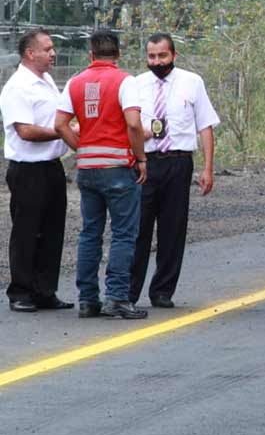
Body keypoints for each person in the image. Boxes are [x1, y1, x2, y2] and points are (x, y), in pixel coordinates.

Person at [54, 30, 148, 320]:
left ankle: (87, 299)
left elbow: (60, 124)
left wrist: (82, 148)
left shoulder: (75, 82)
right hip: (118, 167)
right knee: (123, 234)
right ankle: (117, 298)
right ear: (117, 55)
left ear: (90, 55)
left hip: (88, 169)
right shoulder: (125, 81)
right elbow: (133, 124)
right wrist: (141, 158)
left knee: (90, 233)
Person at [130, 33, 219, 308]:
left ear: (174, 55)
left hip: (179, 162)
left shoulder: (192, 82)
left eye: (162, 56)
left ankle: (162, 290)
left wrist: (207, 168)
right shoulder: (135, 85)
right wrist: (137, 137)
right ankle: (129, 292)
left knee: (173, 227)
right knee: (138, 228)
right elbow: (126, 124)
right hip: (145, 162)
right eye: (152, 57)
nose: (156, 62)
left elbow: (205, 125)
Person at [1, 29, 73, 312]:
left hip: (52, 166)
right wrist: (62, 132)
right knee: (27, 231)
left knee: (53, 230)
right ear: (31, 53)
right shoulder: (18, 87)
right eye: (48, 48)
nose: (53, 53)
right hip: (28, 170)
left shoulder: (47, 81)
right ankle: (20, 291)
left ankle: (45, 290)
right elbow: (25, 131)